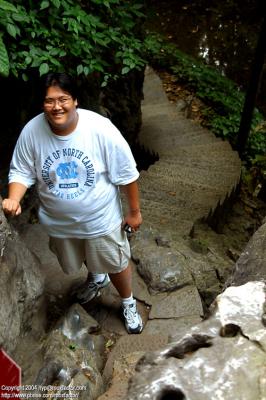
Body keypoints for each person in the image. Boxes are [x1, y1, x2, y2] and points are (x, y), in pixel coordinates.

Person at [2, 73, 143, 334]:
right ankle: (95, 277)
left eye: (63, 99)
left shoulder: (100, 129)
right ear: (42, 104)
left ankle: (128, 302)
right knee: (84, 257)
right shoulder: (32, 132)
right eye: (49, 101)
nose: (57, 107)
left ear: (75, 100)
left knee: (115, 261)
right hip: (60, 223)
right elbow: (21, 171)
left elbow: (127, 174)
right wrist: (14, 198)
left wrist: (134, 212)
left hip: (100, 219)